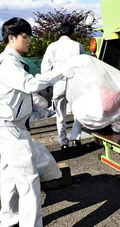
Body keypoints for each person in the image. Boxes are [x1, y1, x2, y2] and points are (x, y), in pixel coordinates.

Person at [0, 17, 65, 227]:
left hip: (7, 125)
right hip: (10, 128)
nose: (29, 40)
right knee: (29, 179)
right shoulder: (8, 63)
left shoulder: (10, 61)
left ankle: (9, 218)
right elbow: (29, 84)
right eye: (25, 36)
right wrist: (59, 73)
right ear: (12, 38)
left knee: (11, 175)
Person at [41, 22, 85, 151]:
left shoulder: (52, 47)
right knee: (78, 112)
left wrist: (48, 82)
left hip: (58, 82)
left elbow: (45, 67)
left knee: (60, 114)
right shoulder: (77, 46)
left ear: (59, 32)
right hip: (74, 83)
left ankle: (63, 142)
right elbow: (83, 64)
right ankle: (76, 138)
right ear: (72, 33)